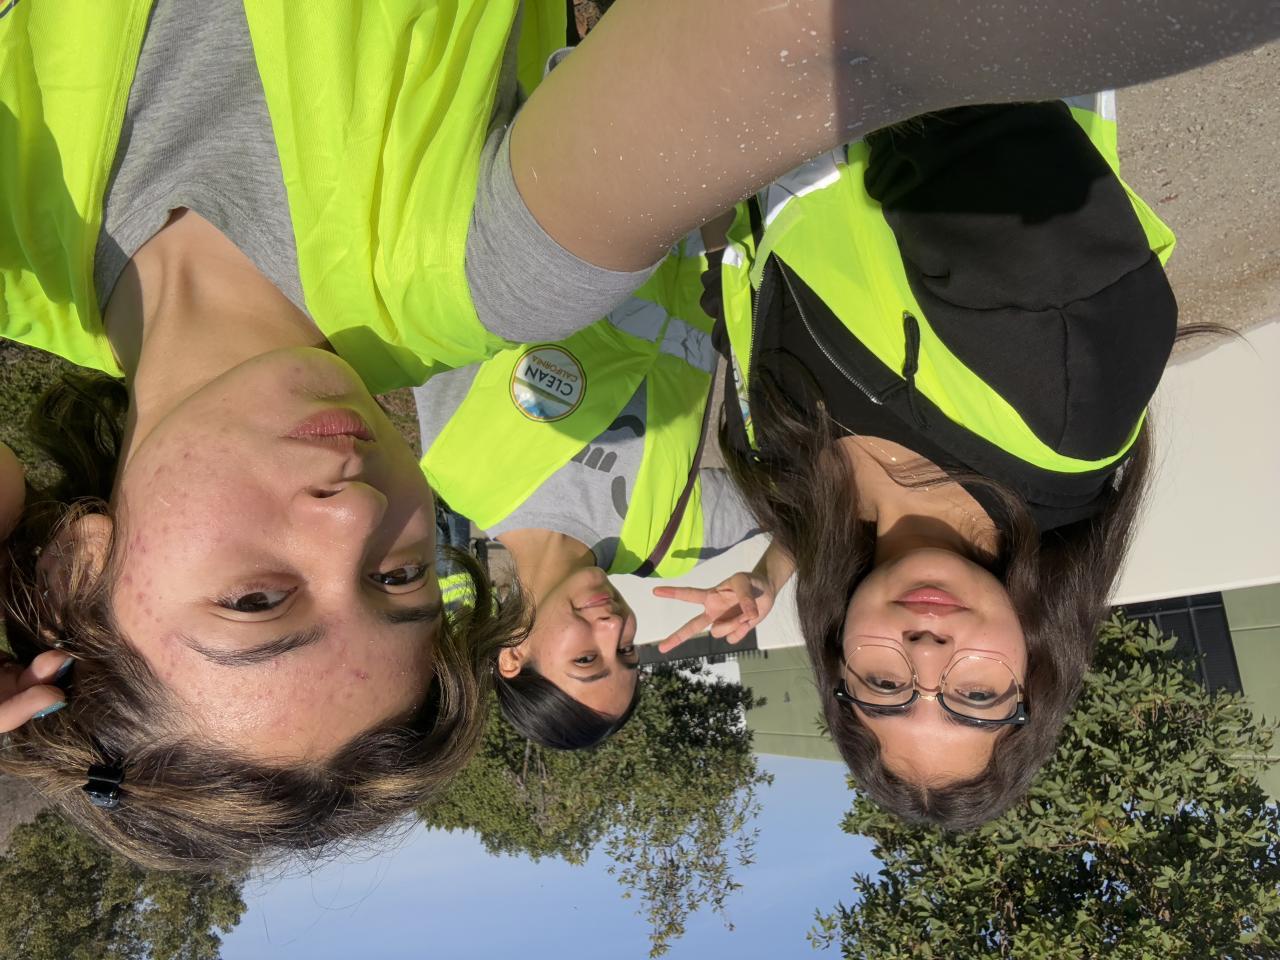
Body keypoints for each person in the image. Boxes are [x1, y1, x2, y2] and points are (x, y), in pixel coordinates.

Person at [0, 0, 1274, 870]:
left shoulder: (27, 261)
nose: (354, 517)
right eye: (396, 577)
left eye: (259, 598)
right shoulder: (485, 287)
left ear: (74, 564)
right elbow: (811, 46)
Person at [680, 94, 1195, 830]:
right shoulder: (1062, 408)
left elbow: (736, 276)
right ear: (1034, 671)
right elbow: (949, 73)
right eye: (975, 695)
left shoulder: (790, 476)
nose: (926, 654)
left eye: (886, 686)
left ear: (839, 662)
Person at [417, 231, 762, 749]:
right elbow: (818, 502)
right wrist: (767, 578)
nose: (614, 628)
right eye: (626, 653)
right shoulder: (671, 543)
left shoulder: (458, 464)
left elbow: (448, 279)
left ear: (513, 655)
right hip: (723, 214)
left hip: (595, 196)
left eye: (586, 658)